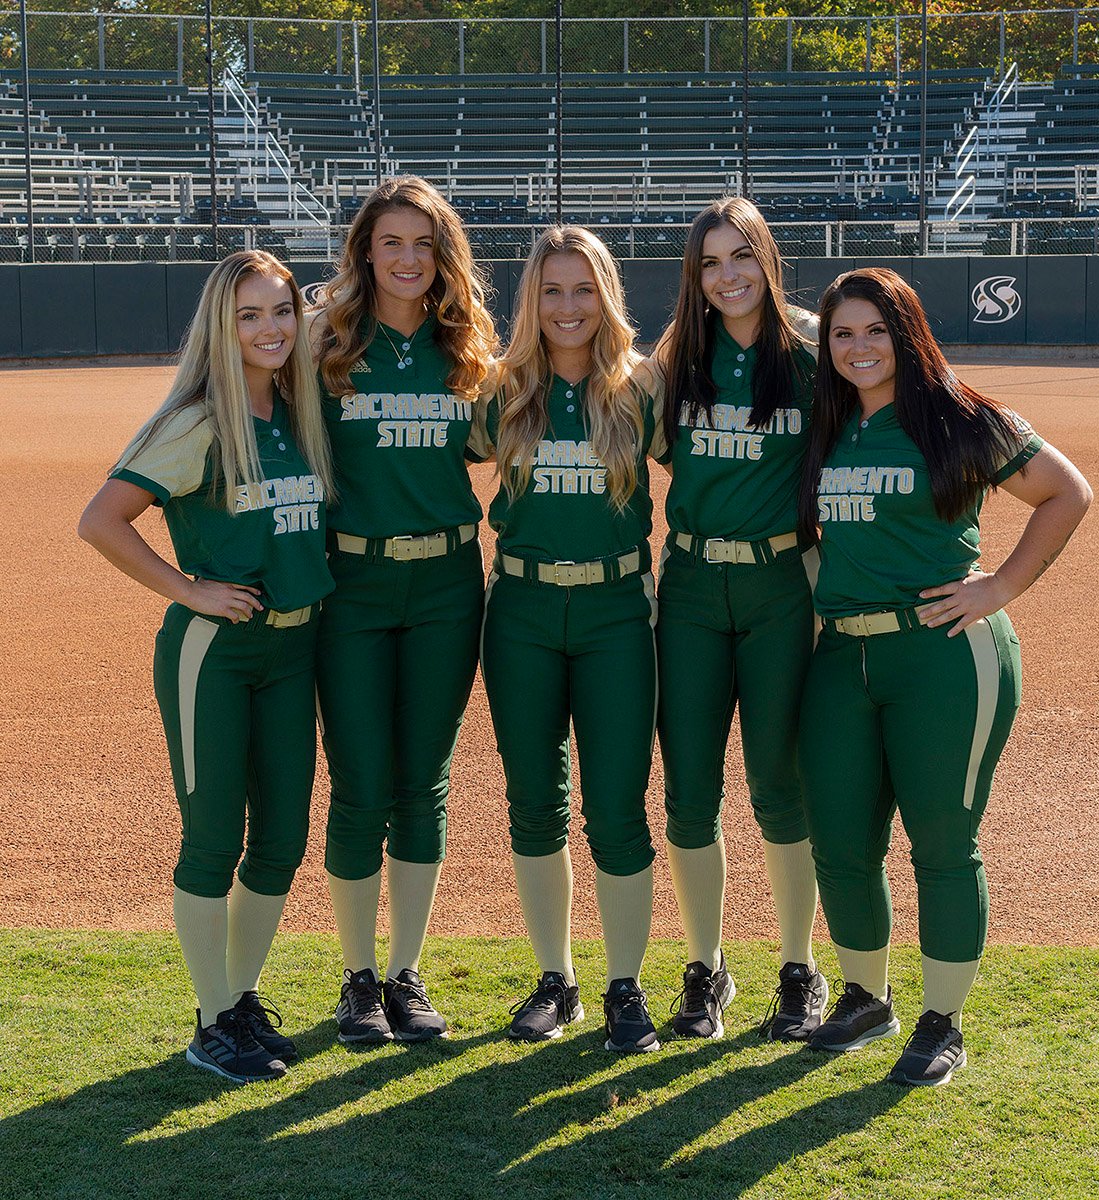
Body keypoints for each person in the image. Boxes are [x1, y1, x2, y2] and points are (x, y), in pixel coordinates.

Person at [798, 267, 1092, 1085]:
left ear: (906, 333)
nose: (858, 348)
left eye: (874, 330)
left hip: (942, 654)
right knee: (842, 843)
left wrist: (998, 585)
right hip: (841, 660)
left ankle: (943, 1020)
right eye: (842, 334)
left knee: (942, 844)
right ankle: (865, 997)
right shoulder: (826, 425)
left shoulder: (958, 415)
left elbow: (1066, 493)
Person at [78, 250, 336, 1083]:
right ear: (219, 331)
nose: (268, 329)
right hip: (215, 656)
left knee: (283, 841)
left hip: (294, 650)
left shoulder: (299, 413)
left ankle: (241, 1001)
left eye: (281, 312)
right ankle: (211, 1021)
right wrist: (189, 588)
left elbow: (338, 312)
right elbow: (101, 520)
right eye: (247, 316)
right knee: (214, 838)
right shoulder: (196, 418)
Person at [310, 176, 497, 1044]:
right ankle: (355, 980)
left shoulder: (468, 352)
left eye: (424, 244)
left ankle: (405, 973)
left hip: (446, 587)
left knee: (423, 783)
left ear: (444, 255)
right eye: (391, 242)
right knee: (358, 787)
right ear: (365, 252)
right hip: (351, 585)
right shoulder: (327, 346)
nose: (409, 259)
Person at [481, 226, 662, 1053]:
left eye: (582, 289)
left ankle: (626, 984)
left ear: (606, 295)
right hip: (518, 616)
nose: (567, 307)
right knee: (534, 806)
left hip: (617, 613)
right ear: (531, 300)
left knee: (618, 810)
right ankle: (557, 979)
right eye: (551, 291)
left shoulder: (641, 388)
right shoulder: (500, 388)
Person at [653, 196, 829, 1042]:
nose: (727, 277)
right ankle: (706, 968)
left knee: (777, 787)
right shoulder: (677, 356)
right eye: (710, 263)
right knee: (689, 792)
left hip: (779, 591)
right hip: (688, 587)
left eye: (741, 257)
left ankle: (798, 966)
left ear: (767, 257)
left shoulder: (809, 351)